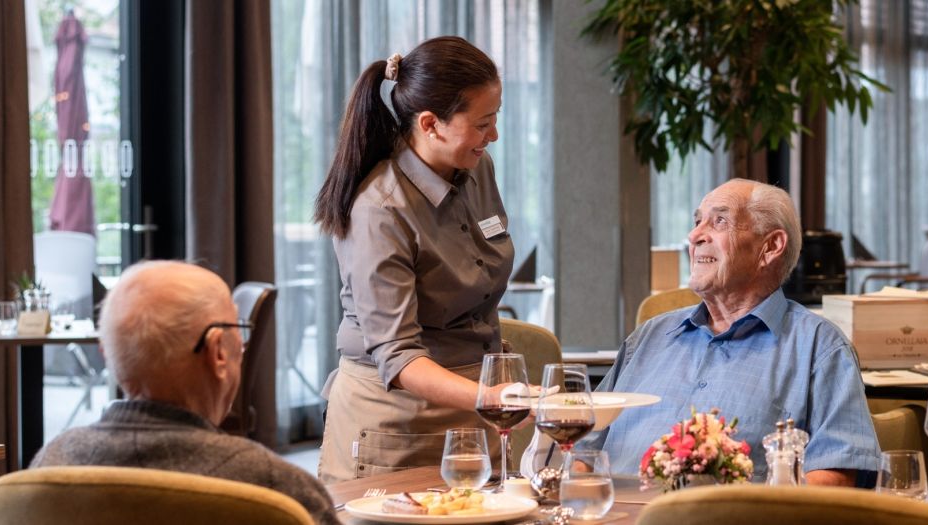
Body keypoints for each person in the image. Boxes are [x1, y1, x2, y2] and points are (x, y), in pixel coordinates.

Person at [580, 180, 881, 486]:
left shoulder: (820, 348)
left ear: (771, 247)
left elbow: (836, 476)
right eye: (698, 221)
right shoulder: (647, 338)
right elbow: (581, 450)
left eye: (719, 221)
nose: (694, 235)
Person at [312, 36, 516, 484]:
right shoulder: (379, 209)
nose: (493, 135)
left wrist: (488, 397)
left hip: (476, 416)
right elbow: (399, 356)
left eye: (495, 118)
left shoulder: (478, 168)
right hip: (396, 426)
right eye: (482, 123)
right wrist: (489, 395)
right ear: (430, 123)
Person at [32, 261, 339, 525]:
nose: (242, 347)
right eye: (238, 328)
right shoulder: (274, 486)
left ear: (106, 353)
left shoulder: (50, 466)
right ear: (218, 351)